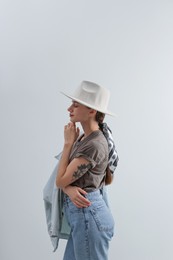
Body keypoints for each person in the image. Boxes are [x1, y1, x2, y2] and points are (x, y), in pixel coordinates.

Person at [56, 80, 118, 260]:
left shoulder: (94, 144)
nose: (69, 109)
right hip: (86, 216)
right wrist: (68, 188)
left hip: (88, 216)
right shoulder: (86, 137)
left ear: (92, 111)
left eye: (75, 105)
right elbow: (66, 181)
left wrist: (68, 145)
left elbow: (60, 180)